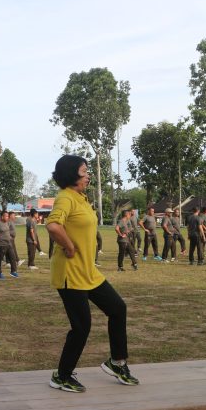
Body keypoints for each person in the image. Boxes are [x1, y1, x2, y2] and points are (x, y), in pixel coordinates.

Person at [46, 155, 138, 393]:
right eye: (85, 171)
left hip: (88, 272)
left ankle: (117, 363)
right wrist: (69, 246)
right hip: (70, 273)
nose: (88, 175)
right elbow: (54, 225)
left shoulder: (81, 198)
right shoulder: (65, 197)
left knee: (118, 309)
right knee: (81, 326)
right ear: (72, 174)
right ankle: (62, 376)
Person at [0, 211, 18, 279]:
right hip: (1, 245)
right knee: (0, 259)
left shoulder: (7, 223)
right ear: (2, 216)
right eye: (6, 216)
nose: (8, 217)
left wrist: (10, 237)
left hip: (9, 243)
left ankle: (13, 271)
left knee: (13, 257)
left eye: (8, 216)